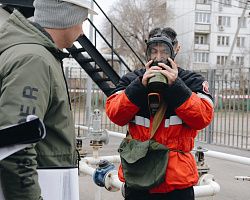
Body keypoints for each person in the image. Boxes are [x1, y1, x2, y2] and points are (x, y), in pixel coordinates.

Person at [0, 0, 96, 199]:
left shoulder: (35, 54)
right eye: (82, 21)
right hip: (45, 186)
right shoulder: (34, 60)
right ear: (67, 17)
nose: (82, 31)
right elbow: (16, 149)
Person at [106, 27, 214, 200]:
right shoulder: (131, 80)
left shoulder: (192, 81)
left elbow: (203, 118)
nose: (158, 58)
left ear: (175, 49)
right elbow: (115, 114)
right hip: (138, 176)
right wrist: (139, 87)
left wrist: (176, 87)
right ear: (147, 51)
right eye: (153, 51)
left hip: (177, 181)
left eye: (164, 52)